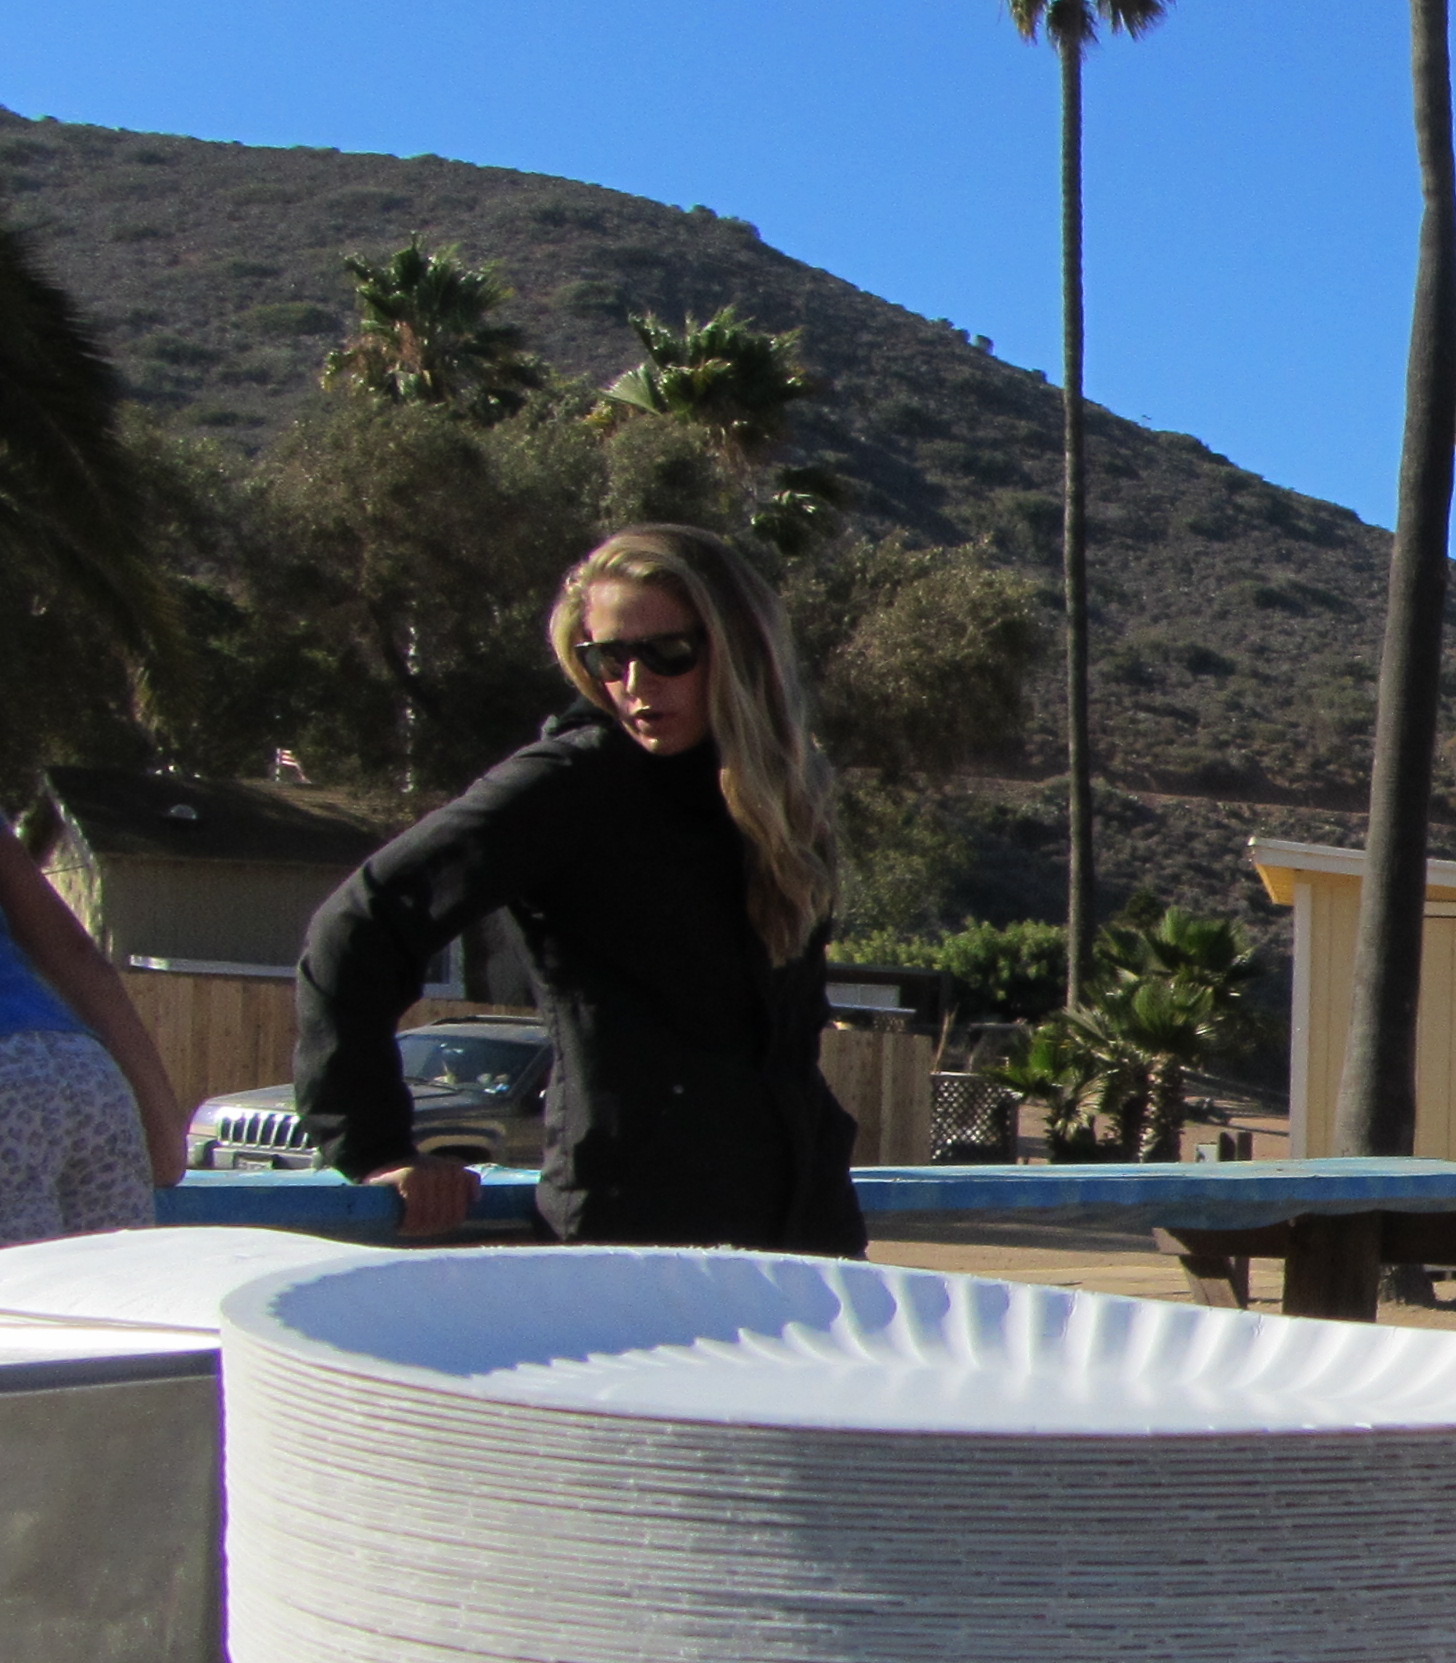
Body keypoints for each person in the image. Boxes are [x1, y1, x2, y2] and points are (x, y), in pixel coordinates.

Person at [297, 523, 866, 1255]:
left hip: (802, 1228)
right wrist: (376, 1146)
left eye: (667, 653)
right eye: (609, 658)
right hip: (635, 1230)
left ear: (740, 650)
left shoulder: (781, 799)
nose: (636, 683)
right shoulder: (570, 783)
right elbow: (358, 927)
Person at [0, 826, 187, 1246]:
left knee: (19, 1290)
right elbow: (72, 951)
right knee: (113, 1282)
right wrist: (164, 1133)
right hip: (85, 1073)